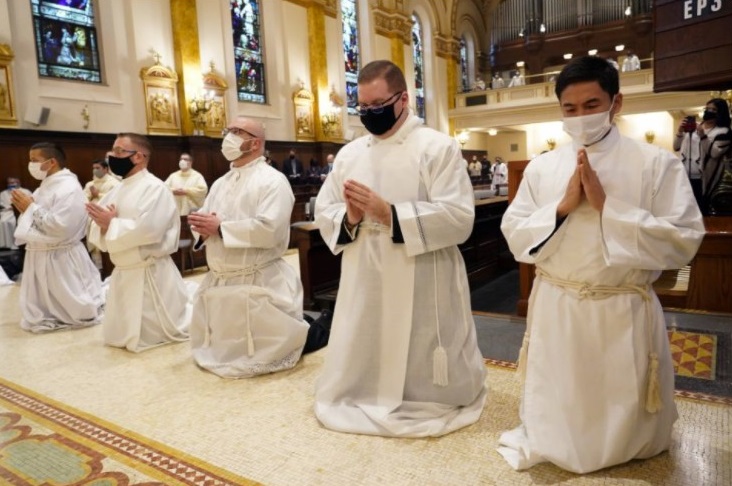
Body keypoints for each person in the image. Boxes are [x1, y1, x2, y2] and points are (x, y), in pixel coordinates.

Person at [497, 56, 705, 474]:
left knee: (616, 396)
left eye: (591, 105)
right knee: (564, 393)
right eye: (569, 109)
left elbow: (684, 238)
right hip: (559, 301)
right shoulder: (542, 168)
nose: (580, 117)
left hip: (620, 305)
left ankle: (626, 442)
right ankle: (557, 435)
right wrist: (561, 208)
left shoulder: (656, 163)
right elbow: (514, 231)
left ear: (617, 103)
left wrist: (607, 207)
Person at [313, 60, 487, 438]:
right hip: (365, 265)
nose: (369, 114)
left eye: (378, 105)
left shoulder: (436, 147)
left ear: (403, 98)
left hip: (421, 267)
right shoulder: (350, 154)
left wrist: (389, 213)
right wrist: (352, 217)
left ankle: (425, 395)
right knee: (368, 328)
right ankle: (364, 389)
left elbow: (459, 217)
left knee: (420, 335)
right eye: (363, 108)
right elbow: (324, 210)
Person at [187, 117, 329, 378]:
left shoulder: (272, 180)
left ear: (255, 143)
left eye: (236, 132)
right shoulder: (220, 183)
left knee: (278, 344)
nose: (228, 136)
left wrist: (220, 228)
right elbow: (208, 219)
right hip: (223, 277)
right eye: (228, 131)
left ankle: (319, 328)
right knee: (227, 344)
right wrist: (201, 228)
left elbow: (270, 229)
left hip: (258, 277)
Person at [87, 132, 190, 352]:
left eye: (119, 151)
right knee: (120, 336)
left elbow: (150, 230)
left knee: (152, 333)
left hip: (150, 271)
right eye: (113, 150)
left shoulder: (155, 188)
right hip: (124, 269)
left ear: (139, 156)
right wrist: (104, 224)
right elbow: (99, 224)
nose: (113, 156)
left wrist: (112, 224)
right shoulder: (117, 188)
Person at [12, 142, 103, 332]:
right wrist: (27, 209)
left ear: (51, 161)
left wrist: (30, 208)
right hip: (41, 252)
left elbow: (62, 227)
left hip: (61, 254)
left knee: (78, 308)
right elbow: (36, 215)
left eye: (34, 160)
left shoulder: (69, 187)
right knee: (43, 310)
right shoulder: (46, 185)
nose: (31, 165)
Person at [673, 99, 732, 214]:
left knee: (701, 211)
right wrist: (680, 132)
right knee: (683, 211)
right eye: (707, 108)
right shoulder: (693, 127)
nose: (709, 111)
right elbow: (676, 147)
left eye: (713, 109)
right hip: (684, 176)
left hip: (703, 180)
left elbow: (715, 153)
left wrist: (703, 135)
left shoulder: (724, 132)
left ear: (720, 112)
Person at [83, 159, 120, 269]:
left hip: (106, 217)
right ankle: (98, 269)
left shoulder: (114, 183)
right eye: (94, 168)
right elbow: (83, 198)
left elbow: (116, 200)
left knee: (105, 244)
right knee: (93, 246)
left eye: (98, 168)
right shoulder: (90, 184)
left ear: (106, 169)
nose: (95, 170)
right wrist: (91, 196)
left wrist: (98, 194)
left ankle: (110, 268)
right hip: (90, 217)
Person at [1, 177, 32, 249]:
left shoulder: (25, 191)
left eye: (13, 182)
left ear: (18, 183)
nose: (11, 184)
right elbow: (2, 204)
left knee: (15, 222)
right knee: (3, 221)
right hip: (7, 212)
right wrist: (8, 207)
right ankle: (7, 244)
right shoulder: (3, 193)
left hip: (21, 211)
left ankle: (18, 243)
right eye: (9, 183)